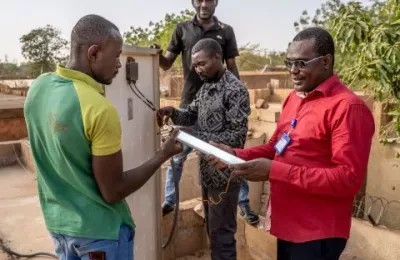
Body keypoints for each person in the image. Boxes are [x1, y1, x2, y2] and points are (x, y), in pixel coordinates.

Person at [207, 27, 375, 260]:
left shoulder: (347, 108)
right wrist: (235, 154)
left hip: (317, 231)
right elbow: (277, 146)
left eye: (301, 63)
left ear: (326, 61)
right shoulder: (295, 98)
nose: (293, 71)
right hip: (288, 223)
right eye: (289, 63)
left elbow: (348, 179)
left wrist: (274, 171)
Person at [24, 14, 182, 260]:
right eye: (116, 55)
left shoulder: (39, 87)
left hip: (59, 226)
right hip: (100, 233)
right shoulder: (98, 108)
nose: (119, 65)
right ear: (94, 53)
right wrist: (163, 154)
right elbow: (113, 191)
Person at [153, 0, 259, 225]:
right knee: (178, 159)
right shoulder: (182, 29)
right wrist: (172, 111)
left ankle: (243, 204)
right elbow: (166, 64)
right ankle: (169, 201)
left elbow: (235, 139)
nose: (203, 4)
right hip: (193, 103)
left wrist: (234, 94)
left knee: (230, 158)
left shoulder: (225, 32)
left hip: (221, 108)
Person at [157, 38, 250, 260]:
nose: (197, 70)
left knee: (222, 236)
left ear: (217, 58)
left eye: (202, 64)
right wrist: (173, 112)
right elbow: (190, 114)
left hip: (226, 177)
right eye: (195, 66)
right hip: (208, 174)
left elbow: (236, 138)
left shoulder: (235, 90)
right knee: (213, 230)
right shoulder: (206, 87)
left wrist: (195, 137)